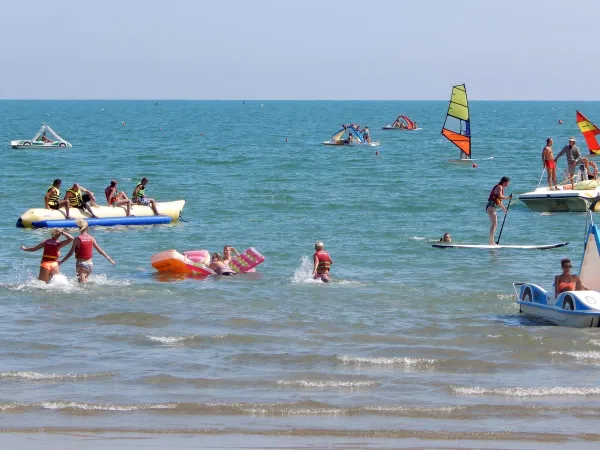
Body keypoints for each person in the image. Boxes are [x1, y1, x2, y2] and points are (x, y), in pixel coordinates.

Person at [58, 219, 115, 283]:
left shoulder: (77, 239)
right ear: (87, 228)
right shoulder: (91, 238)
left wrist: (61, 262)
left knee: (82, 286)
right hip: (90, 265)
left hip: (81, 264)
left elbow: (70, 253)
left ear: (79, 228)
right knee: (85, 283)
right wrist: (110, 259)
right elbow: (100, 250)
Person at [486, 177, 512, 246]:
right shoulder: (499, 187)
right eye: (508, 182)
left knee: (494, 225)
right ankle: (491, 242)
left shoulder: (499, 187)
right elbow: (500, 196)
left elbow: (499, 201)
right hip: (491, 206)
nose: (508, 184)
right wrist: (508, 197)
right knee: (494, 225)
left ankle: (491, 242)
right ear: (504, 182)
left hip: (491, 206)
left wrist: (504, 209)